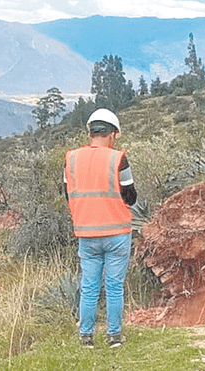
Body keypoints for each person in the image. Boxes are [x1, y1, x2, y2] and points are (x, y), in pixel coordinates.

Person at [63, 108, 137, 349]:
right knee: (114, 286)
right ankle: (114, 336)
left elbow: (68, 194)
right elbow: (131, 196)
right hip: (117, 232)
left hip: (86, 233)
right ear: (113, 135)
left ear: (90, 132)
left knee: (89, 286)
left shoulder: (71, 159)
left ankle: (86, 337)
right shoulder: (119, 159)